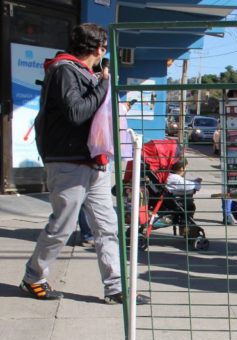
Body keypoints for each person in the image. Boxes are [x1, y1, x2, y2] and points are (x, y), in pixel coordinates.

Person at [20, 23, 148, 305]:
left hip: (93, 161)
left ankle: (115, 287)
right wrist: (104, 84)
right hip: (69, 162)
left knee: (107, 228)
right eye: (105, 48)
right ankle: (33, 277)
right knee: (62, 227)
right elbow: (77, 113)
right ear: (100, 48)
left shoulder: (83, 73)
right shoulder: (64, 70)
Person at [222, 89, 237, 225]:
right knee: (229, 185)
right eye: (236, 94)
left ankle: (234, 207)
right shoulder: (227, 110)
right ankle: (227, 214)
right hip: (231, 152)